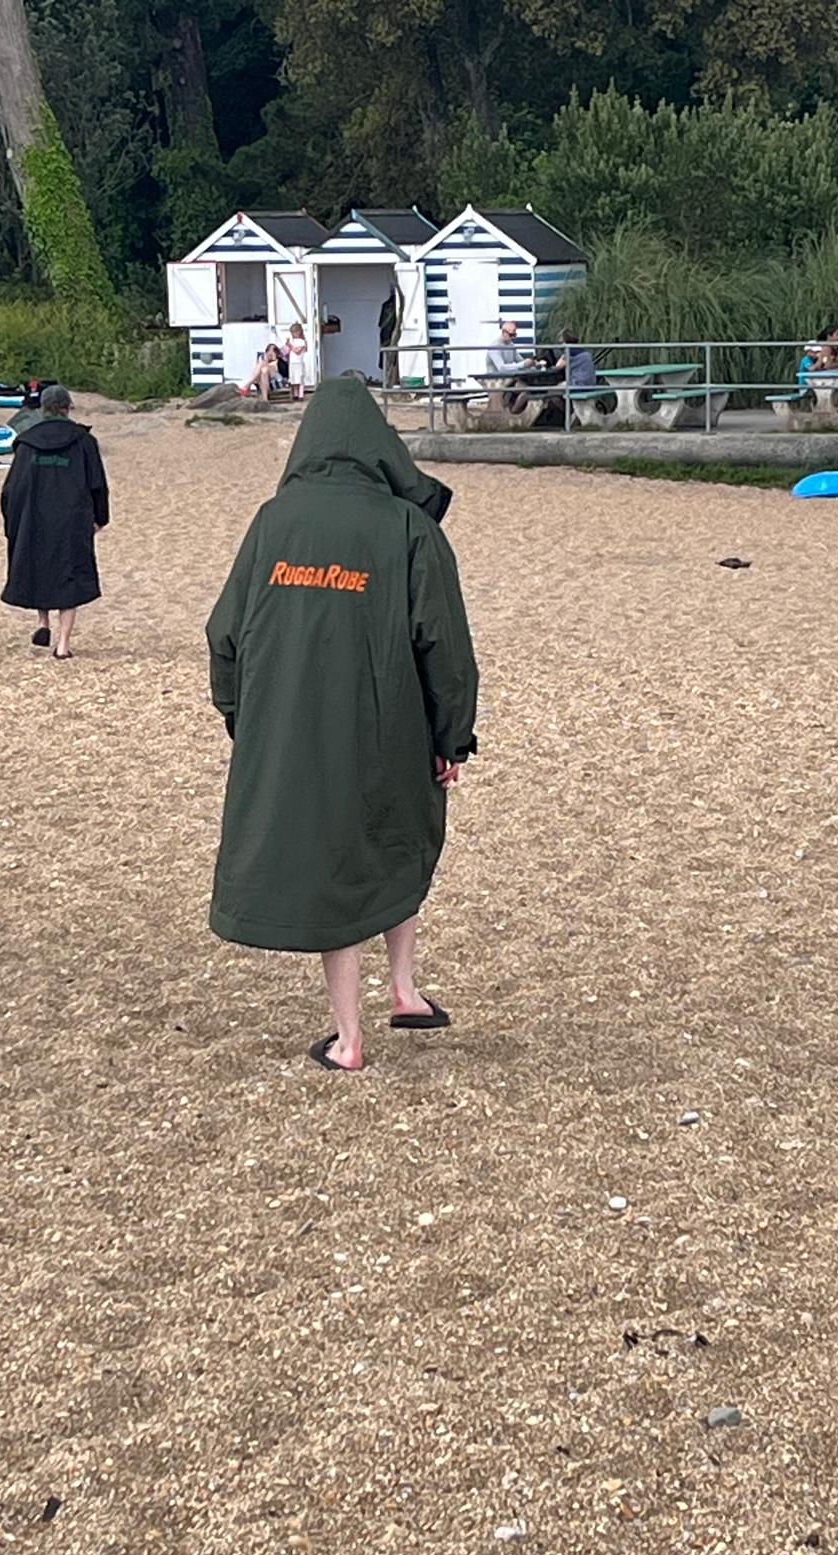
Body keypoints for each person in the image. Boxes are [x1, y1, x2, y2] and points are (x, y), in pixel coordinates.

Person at [206, 377, 479, 1074]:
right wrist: (453, 737)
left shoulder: (275, 522)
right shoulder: (408, 528)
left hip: (295, 730)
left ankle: (355, 1034)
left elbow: (225, 632)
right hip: (395, 728)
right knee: (393, 842)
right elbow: (444, 645)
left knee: (335, 861)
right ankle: (399, 992)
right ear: (379, 447)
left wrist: (243, 716)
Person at [0, 385, 109, 661]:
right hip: (72, 519)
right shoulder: (83, 442)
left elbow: (11, 489)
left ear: (43, 409)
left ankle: (43, 623)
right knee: (68, 577)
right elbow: (97, 485)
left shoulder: (26, 443)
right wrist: (100, 518)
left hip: (33, 518)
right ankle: (62, 645)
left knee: (39, 569)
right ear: (67, 407)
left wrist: (11, 523)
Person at [285, 323, 309, 400]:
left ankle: (301, 395)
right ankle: (295, 394)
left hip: (299, 363)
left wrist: (290, 345)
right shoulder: (293, 341)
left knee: (300, 378)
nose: (294, 334)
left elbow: (297, 351)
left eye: (296, 332)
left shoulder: (302, 341)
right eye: (292, 332)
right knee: (294, 379)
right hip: (292, 363)